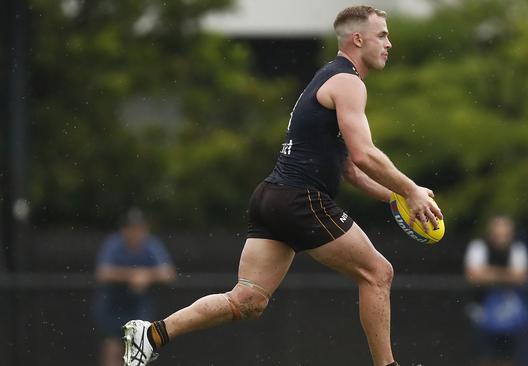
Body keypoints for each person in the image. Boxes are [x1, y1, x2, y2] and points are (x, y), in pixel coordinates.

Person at [122, 6, 443, 366]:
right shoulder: (348, 82)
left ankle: (152, 333)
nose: (389, 43)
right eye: (382, 35)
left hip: (271, 196)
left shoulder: (326, 78)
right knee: (378, 273)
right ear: (357, 38)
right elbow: (365, 154)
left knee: (247, 300)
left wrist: (397, 196)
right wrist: (411, 189)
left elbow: (351, 170)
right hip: (300, 199)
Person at [93, 208, 176, 366]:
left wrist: (147, 276)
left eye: (139, 228)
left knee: (138, 351)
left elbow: (169, 274)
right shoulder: (114, 244)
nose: (136, 232)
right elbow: (103, 273)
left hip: (138, 308)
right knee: (112, 348)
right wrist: (132, 276)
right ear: (124, 230)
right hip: (112, 306)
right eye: (132, 228)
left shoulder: (151, 245)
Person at [464, 215, 528, 366]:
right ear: (490, 231)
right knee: (482, 354)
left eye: (505, 233)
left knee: (507, 355)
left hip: (508, 312)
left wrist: (488, 273)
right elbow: (473, 275)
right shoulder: (479, 246)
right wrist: (507, 274)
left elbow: (521, 277)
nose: (501, 237)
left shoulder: (517, 248)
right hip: (480, 309)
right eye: (497, 232)